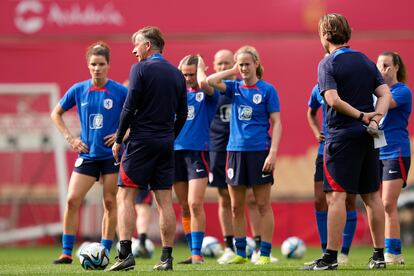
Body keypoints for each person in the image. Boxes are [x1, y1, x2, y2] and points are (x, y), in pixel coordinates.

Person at [301, 13, 391, 270]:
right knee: (372, 196)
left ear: (325, 35)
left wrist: (363, 116)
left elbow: (332, 100)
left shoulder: (327, 63)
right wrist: (375, 121)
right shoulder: (364, 60)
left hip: (341, 137)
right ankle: (379, 256)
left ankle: (330, 258)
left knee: (336, 197)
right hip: (369, 136)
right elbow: (384, 94)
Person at [109, 26, 187, 271]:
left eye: (137, 44)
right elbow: (183, 114)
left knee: (125, 196)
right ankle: (166, 259)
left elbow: (129, 107)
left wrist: (119, 138)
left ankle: (124, 255)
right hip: (165, 142)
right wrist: (169, 136)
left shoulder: (140, 69)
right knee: (164, 200)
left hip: (141, 142)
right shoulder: (176, 74)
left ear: (148, 46)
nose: (134, 50)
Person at [50, 41, 128, 264]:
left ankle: (103, 251)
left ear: (108, 66)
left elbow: (138, 117)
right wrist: (70, 138)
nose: (97, 68)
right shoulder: (78, 89)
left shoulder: (120, 91)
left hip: (111, 156)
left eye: (101, 64)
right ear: (88, 65)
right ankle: (66, 252)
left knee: (110, 202)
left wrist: (121, 136)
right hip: (87, 155)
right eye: (93, 64)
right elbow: (56, 114)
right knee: (72, 200)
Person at [207, 45, 282, 265]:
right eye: (241, 64)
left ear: (256, 64)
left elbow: (277, 123)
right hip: (234, 153)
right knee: (235, 206)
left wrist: (273, 152)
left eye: (247, 64)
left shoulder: (268, 90)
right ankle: (240, 253)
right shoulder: (233, 87)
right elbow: (210, 81)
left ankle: (265, 253)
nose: (244, 68)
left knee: (262, 204)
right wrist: (232, 71)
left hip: (259, 152)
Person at [306, 83, 357, 264]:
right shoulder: (318, 88)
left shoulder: (350, 85)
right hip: (324, 151)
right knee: (320, 200)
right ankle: (325, 251)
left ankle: (344, 253)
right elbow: (310, 112)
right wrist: (315, 131)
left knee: (349, 200)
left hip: (348, 148)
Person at [174, 54, 217, 265]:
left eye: (191, 74)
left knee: (194, 203)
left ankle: (198, 254)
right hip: (175, 153)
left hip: (198, 153)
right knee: (183, 205)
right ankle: (193, 252)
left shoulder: (208, 93)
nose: (188, 78)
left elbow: (203, 82)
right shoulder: (176, 95)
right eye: (184, 74)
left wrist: (201, 68)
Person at [376, 52, 412, 265]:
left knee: (388, 203)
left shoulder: (402, 91)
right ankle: (379, 251)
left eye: (387, 66)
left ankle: (394, 253)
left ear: (397, 67)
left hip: (395, 152)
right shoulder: (377, 93)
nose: (383, 70)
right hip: (376, 152)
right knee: (378, 204)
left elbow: (385, 104)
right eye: (380, 66)